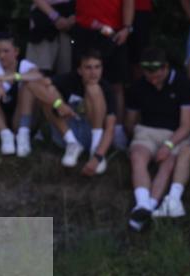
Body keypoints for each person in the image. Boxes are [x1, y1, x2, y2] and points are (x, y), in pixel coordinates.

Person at [125, 47, 190, 230]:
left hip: (176, 134)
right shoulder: (138, 86)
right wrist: (134, 138)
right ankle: (142, 203)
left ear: (166, 68)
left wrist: (168, 144)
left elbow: (187, 125)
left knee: (168, 163)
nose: (153, 80)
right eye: (148, 75)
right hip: (147, 131)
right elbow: (130, 122)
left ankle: (149, 206)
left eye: (156, 75)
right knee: (137, 156)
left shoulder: (183, 84)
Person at [37, 47, 115, 176]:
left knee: (94, 89)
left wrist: (98, 156)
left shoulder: (106, 88)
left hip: (91, 134)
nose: (93, 72)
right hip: (66, 132)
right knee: (49, 91)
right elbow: (37, 85)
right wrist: (59, 104)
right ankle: (72, 143)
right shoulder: (70, 79)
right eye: (88, 68)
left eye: (97, 67)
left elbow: (110, 127)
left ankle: (94, 148)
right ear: (79, 70)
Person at [70, 0, 133, 148]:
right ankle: (82, 129)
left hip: (113, 30)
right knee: (82, 80)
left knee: (116, 84)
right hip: (84, 28)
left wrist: (127, 27)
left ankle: (117, 131)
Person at [0, 33, 44, 157]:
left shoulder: (24, 65)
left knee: (30, 85)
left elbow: (38, 76)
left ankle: (23, 134)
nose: (1, 55)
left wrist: (14, 77)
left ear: (16, 52)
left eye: (6, 51)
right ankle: (5, 134)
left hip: (19, 119)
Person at [27, 0, 76, 76]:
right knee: (39, 70)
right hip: (43, 17)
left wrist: (74, 18)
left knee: (66, 71)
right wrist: (55, 17)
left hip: (69, 19)